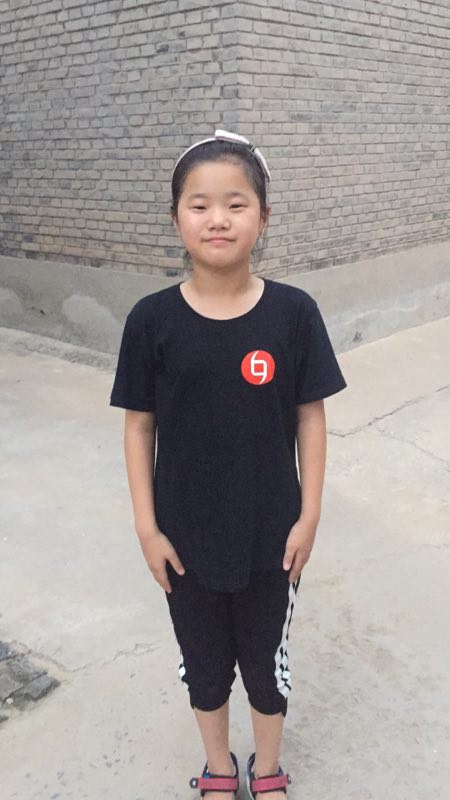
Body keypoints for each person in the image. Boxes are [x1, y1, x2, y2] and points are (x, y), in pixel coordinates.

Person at [110, 129, 347, 799]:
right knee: (205, 665)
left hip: (273, 539)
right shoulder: (151, 320)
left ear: (263, 217)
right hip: (183, 541)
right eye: (200, 204)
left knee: (267, 669)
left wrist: (309, 515)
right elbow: (139, 425)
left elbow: (310, 416)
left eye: (236, 204)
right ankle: (218, 767)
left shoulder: (294, 314)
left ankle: (266, 769)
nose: (218, 218)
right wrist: (146, 528)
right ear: (176, 218)